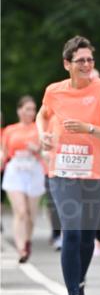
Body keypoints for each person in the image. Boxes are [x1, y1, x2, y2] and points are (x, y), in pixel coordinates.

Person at [36, 36, 100, 295]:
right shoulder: (54, 91)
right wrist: (43, 135)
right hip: (62, 171)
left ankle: (79, 287)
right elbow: (41, 115)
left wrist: (88, 128)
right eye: (80, 60)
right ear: (67, 64)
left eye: (90, 60)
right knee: (71, 230)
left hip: (95, 172)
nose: (86, 65)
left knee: (86, 235)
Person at [1, 95, 45, 262]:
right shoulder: (10, 130)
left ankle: (27, 241)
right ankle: (21, 249)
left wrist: (37, 150)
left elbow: (47, 152)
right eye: (27, 109)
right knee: (20, 212)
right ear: (19, 110)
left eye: (33, 109)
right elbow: (4, 155)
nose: (30, 113)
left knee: (31, 214)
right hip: (15, 171)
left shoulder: (38, 128)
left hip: (33, 170)